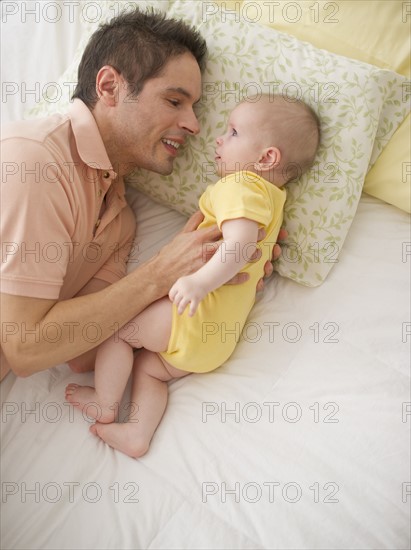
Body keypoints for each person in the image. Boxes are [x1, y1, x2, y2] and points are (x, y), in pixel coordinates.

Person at [0, 8, 284, 382]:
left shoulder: (121, 219)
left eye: (194, 108)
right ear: (109, 87)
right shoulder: (33, 159)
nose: (195, 125)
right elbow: (26, 348)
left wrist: (206, 274)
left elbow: (82, 355)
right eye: (174, 101)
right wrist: (161, 271)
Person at [65, 94, 321, 458]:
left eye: (233, 132)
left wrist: (199, 282)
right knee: (150, 371)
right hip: (214, 344)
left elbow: (240, 245)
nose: (219, 139)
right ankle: (138, 432)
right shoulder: (273, 200)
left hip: (192, 315)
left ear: (266, 158)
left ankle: (105, 402)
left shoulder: (241, 185)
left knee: (119, 332)